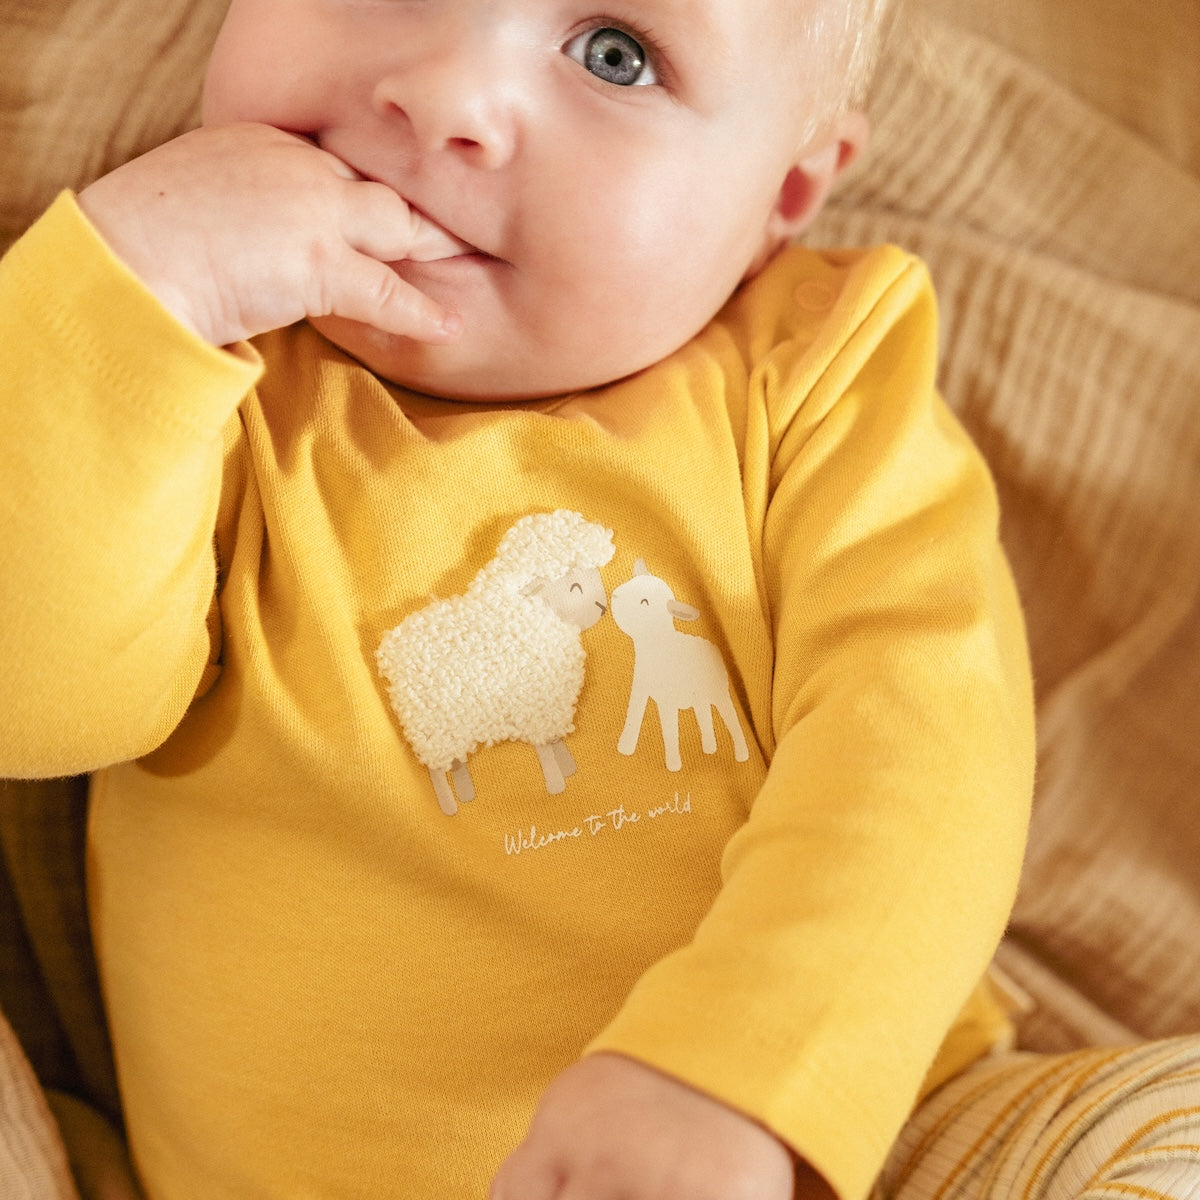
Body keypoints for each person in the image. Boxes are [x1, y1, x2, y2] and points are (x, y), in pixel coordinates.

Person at [0, 0, 1045, 1197]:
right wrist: (139, 288)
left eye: (617, 54)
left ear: (786, 194)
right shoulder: (206, 384)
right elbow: (34, 704)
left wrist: (740, 1077)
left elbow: (921, 749)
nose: (446, 100)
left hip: (850, 1145)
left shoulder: (815, 381)